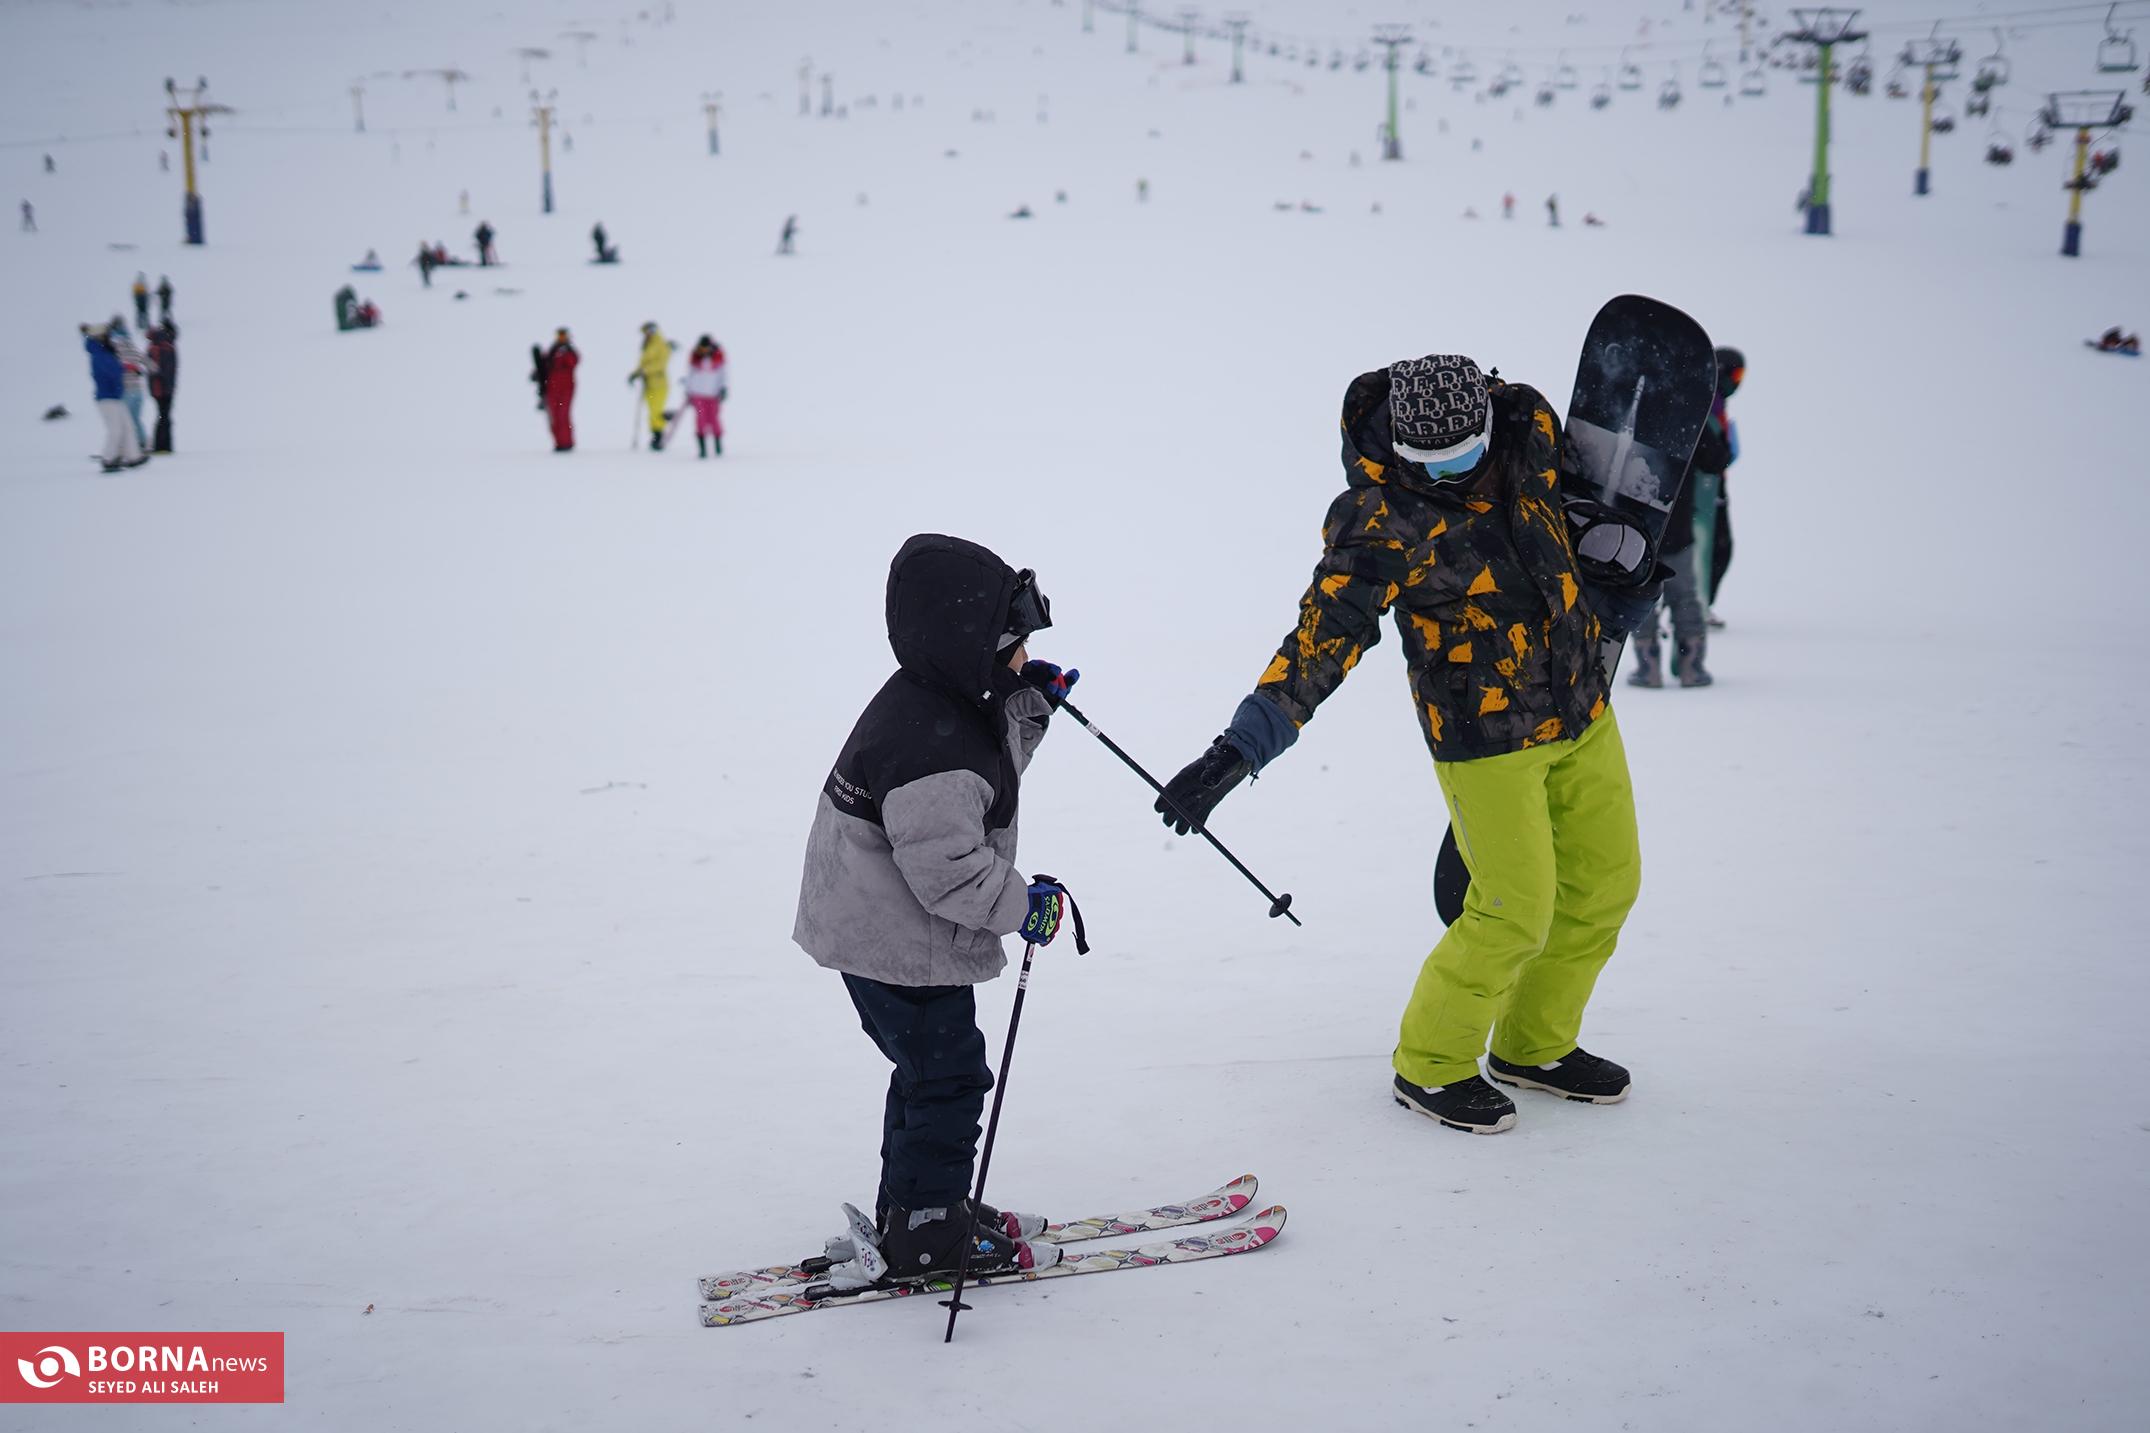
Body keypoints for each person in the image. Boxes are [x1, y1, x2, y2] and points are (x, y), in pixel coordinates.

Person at [1151, 355, 1652, 1135]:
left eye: (1462, 455)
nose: (1448, 473)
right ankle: (1432, 1062)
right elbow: (1323, 638)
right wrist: (1237, 750)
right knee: (1515, 909)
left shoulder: (1529, 434)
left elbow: (1570, 523)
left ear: (1488, 421)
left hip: (1584, 706)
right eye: (1430, 462)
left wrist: (1617, 570)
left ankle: (1533, 1044)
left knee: (1605, 884)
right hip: (1484, 735)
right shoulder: (1382, 516)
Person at [792, 533, 1077, 1280]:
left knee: (928, 1072)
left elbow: (986, 780)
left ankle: (919, 1207)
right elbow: (949, 871)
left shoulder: (940, 701)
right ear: (970, 648)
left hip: (884, 931)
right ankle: (927, 1233)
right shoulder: (931, 747)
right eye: (1013, 647)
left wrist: (1027, 708)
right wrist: (1022, 906)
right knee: (948, 1079)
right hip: (894, 941)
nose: (1025, 656)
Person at [83, 324, 146, 471]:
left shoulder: (105, 351)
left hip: (116, 396)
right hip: (107, 398)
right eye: (106, 335)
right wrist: (120, 373)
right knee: (115, 429)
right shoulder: (98, 354)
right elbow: (110, 371)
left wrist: (129, 368)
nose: (109, 338)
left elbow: (116, 367)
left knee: (127, 426)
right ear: (99, 337)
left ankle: (133, 456)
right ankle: (109, 459)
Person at [628, 322, 674, 450]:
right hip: (648, 384)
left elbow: (661, 364)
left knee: (656, 410)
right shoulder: (647, 345)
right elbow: (642, 364)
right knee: (652, 411)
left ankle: (659, 435)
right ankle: (655, 434)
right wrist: (635, 374)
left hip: (659, 383)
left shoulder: (661, 344)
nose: (646, 334)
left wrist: (644, 371)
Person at [107, 318, 150, 452]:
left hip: (126, 390)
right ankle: (143, 443)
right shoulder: (132, 346)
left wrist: (128, 367)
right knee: (135, 419)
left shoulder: (115, 348)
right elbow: (149, 363)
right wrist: (139, 369)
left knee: (124, 421)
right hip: (138, 391)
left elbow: (115, 366)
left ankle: (122, 448)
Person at [682, 335, 727, 457]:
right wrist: (688, 391)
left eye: (706, 347)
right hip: (698, 395)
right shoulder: (695, 358)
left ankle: (718, 445)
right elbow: (689, 375)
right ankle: (702, 449)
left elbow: (724, 374)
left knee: (714, 419)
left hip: (713, 395)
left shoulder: (718, 357)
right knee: (700, 419)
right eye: (702, 347)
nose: (704, 350)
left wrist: (723, 388)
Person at [542, 328, 578, 451]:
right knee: (554, 416)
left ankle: (566, 442)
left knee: (563, 415)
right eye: (559, 335)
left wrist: (566, 352)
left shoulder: (569, 351)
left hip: (565, 388)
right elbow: (545, 366)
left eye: (563, 335)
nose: (561, 338)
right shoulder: (552, 350)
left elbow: (574, 362)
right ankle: (558, 442)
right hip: (552, 388)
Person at [147, 320, 177, 454]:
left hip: (163, 388)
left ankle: (163, 445)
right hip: (162, 389)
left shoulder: (159, 345)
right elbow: (159, 369)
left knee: (164, 416)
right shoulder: (163, 346)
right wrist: (165, 384)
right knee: (164, 417)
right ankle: (161, 446)